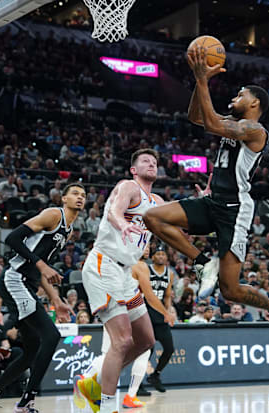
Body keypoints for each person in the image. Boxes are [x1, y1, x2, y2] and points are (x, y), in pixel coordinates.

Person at [143, 46, 269, 324]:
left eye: (240, 95)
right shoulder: (232, 122)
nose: (234, 98)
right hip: (214, 200)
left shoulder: (255, 131)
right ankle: (202, 263)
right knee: (153, 217)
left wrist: (202, 79)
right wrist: (200, 81)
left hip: (235, 209)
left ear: (255, 103)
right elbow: (197, 118)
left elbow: (209, 123)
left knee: (230, 289)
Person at [0, 183, 83, 413]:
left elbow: (43, 269)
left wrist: (57, 300)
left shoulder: (68, 230)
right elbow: (13, 239)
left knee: (32, 348)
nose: (80, 197)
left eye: (84, 195)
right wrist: (40, 265)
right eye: (75, 194)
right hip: (14, 279)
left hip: (27, 284)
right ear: (64, 199)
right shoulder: (52, 215)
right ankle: (27, 400)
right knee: (51, 336)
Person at [76, 149, 163, 413]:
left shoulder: (157, 201)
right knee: (122, 341)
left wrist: (201, 202)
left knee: (146, 340)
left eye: (155, 162)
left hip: (126, 273)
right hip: (104, 264)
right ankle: (107, 406)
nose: (152, 164)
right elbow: (114, 210)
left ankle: (96, 382)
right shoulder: (128, 186)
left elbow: (180, 219)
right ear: (134, 170)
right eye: (145, 161)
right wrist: (122, 224)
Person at [145, 245, 175, 393]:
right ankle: (137, 386)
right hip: (146, 312)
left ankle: (155, 375)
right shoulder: (145, 270)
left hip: (160, 314)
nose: (161, 256)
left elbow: (168, 296)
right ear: (153, 257)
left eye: (164, 254)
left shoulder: (169, 274)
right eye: (158, 254)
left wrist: (168, 311)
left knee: (169, 348)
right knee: (146, 351)